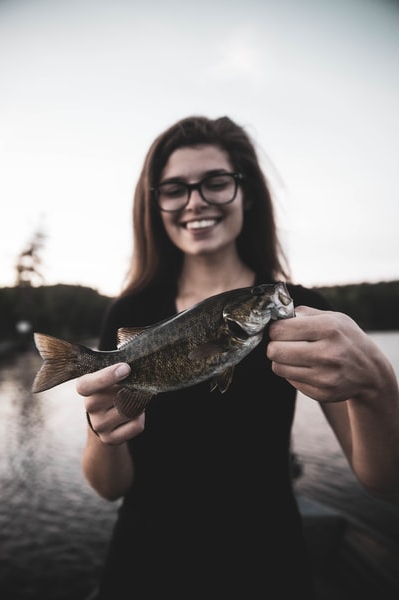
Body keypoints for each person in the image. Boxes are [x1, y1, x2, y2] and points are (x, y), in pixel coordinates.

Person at [77, 115, 399, 599]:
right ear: (156, 204)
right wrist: (106, 434)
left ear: (245, 191)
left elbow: (384, 482)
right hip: (147, 564)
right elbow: (108, 487)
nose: (195, 201)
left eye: (215, 182)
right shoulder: (130, 312)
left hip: (266, 564)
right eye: (173, 189)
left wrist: (378, 387)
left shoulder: (303, 310)